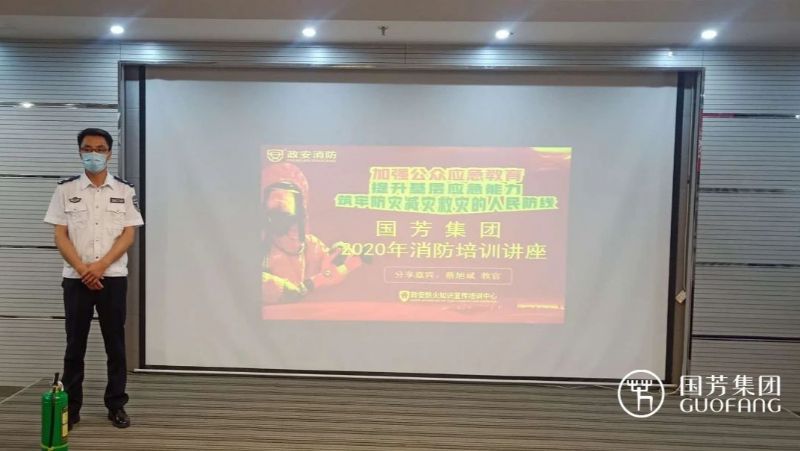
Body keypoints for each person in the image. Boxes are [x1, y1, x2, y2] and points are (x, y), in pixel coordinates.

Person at [44, 128, 144, 430]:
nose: (94, 154)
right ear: (80, 152)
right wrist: (83, 268)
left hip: (112, 278)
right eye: (88, 148)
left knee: (115, 344)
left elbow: (128, 235)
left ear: (109, 153)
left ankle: (116, 405)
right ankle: (71, 408)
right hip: (76, 279)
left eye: (100, 149)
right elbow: (60, 235)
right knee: (75, 345)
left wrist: (99, 267)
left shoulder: (124, 190)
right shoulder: (65, 190)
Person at [262, 162, 364, 303]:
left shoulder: (311, 245)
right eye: (276, 200)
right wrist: (278, 288)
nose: (282, 203)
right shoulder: (259, 244)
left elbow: (328, 271)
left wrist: (338, 257)